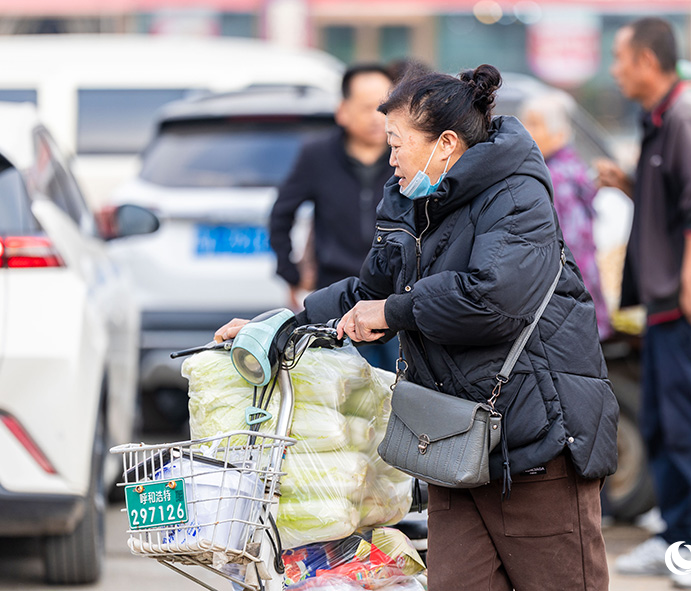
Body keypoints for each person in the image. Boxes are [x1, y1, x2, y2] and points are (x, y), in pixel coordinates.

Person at [218, 64, 618, 591]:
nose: (390, 159)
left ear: (445, 143)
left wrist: (395, 312)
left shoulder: (517, 196)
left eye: (398, 143)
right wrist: (280, 325)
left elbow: (493, 299)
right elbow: (367, 292)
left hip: (533, 441)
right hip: (453, 442)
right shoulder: (411, 203)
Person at [595, 17, 691, 589]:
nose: (615, 68)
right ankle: (679, 538)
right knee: (662, 420)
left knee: (690, 424)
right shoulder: (658, 119)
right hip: (665, 303)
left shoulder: (685, 116)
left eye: (621, 57)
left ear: (649, 61)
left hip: (689, 301)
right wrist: (629, 185)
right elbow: (677, 196)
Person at [269, 63, 397, 370]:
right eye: (366, 108)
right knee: (345, 400)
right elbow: (281, 213)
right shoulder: (317, 155)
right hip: (337, 295)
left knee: (400, 394)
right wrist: (290, 272)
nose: (376, 117)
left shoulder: (405, 155)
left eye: (384, 107)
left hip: (394, 300)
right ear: (343, 110)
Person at [520, 91, 612, 340]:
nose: (527, 130)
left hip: (565, 303)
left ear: (559, 133)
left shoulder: (554, 177)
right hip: (578, 297)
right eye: (525, 122)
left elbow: (564, 247)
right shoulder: (572, 167)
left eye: (535, 124)